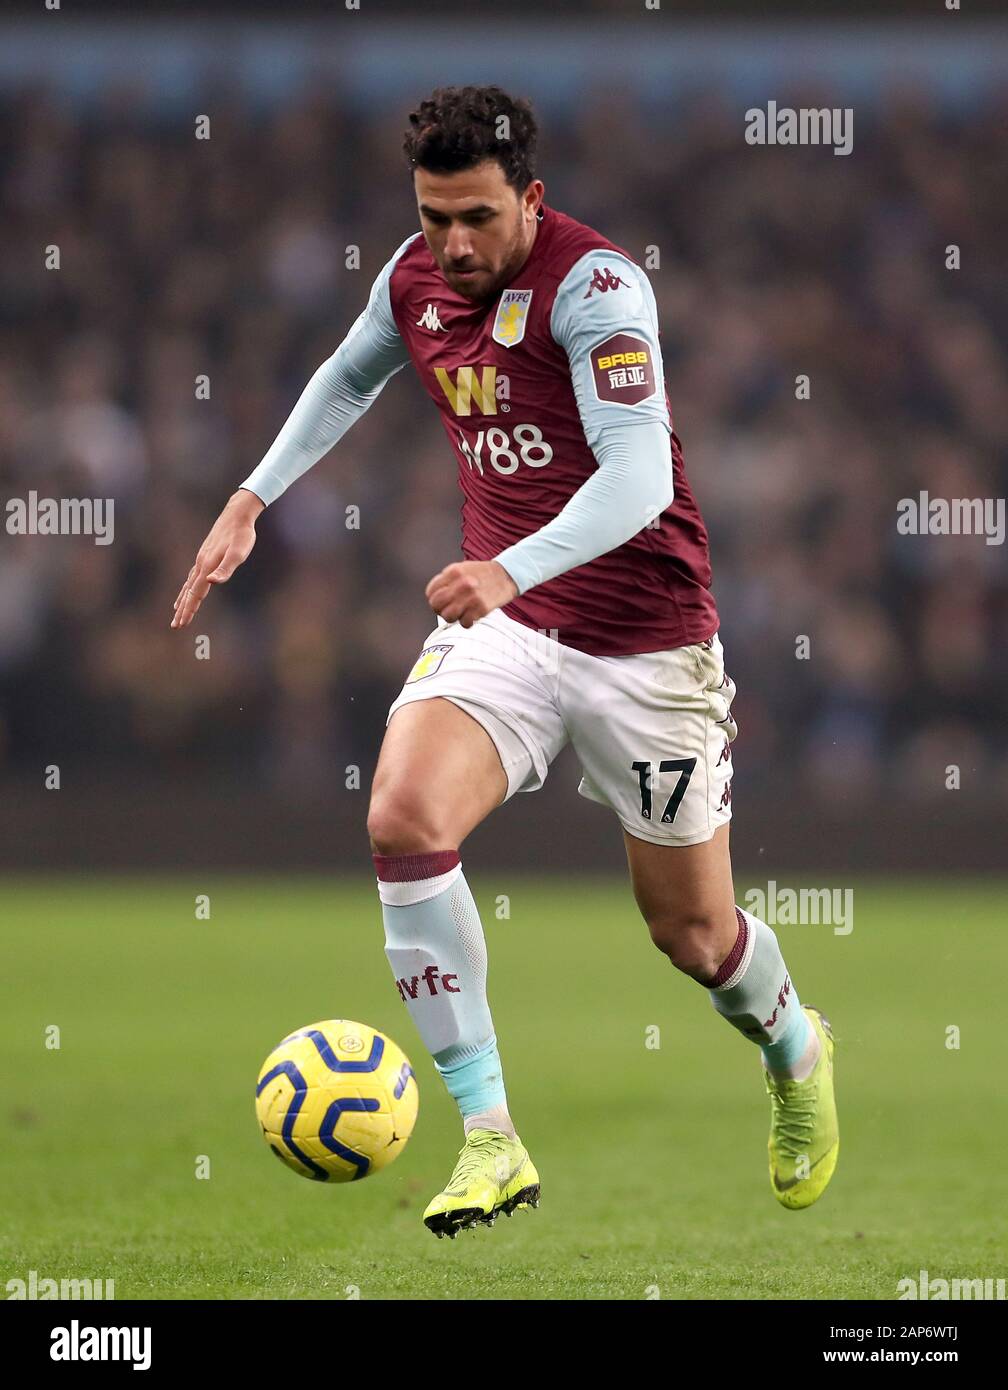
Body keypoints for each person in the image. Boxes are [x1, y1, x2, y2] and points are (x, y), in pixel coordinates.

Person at [172, 84, 838, 1237]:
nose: (455, 244)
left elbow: (635, 481)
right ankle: (490, 1137)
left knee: (693, 937)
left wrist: (511, 568)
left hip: (647, 645)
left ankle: (794, 1043)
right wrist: (251, 495)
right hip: (511, 632)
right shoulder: (413, 277)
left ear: (531, 198)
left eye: (477, 216)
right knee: (402, 814)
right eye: (434, 218)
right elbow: (346, 375)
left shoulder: (599, 288)